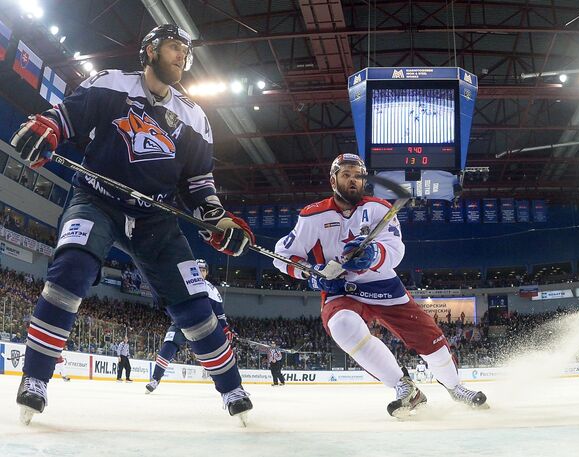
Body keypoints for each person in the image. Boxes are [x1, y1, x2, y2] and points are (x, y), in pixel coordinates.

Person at [10, 24, 254, 425]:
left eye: (185, 50)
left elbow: (199, 184)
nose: (181, 55)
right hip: (96, 198)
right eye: (174, 46)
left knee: (194, 304)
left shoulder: (194, 116)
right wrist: (49, 128)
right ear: (150, 50)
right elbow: (67, 115)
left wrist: (215, 216)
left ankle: (232, 389)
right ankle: (35, 380)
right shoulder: (111, 84)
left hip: (155, 218)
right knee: (72, 269)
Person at [273, 153, 487, 418]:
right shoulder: (313, 215)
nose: (353, 181)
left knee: (428, 338)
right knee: (341, 325)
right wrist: (311, 273)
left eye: (358, 176)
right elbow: (283, 255)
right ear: (333, 180)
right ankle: (404, 386)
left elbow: (395, 252)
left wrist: (373, 255)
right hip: (340, 291)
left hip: (383, 286)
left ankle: (455, 387)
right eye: (346, 175)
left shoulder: (379, 208)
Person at [146, 259, 235, 393]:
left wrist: (225, 329)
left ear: (206, 273)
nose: (200, 272)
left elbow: (219, 313)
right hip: (181, 322)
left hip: (203, 327)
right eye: (198, 269)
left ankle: (226, 386)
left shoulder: (210, 288)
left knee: (213, 354)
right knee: (169, 345)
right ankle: (155, 379)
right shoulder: (182, 283)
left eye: (203, 270)